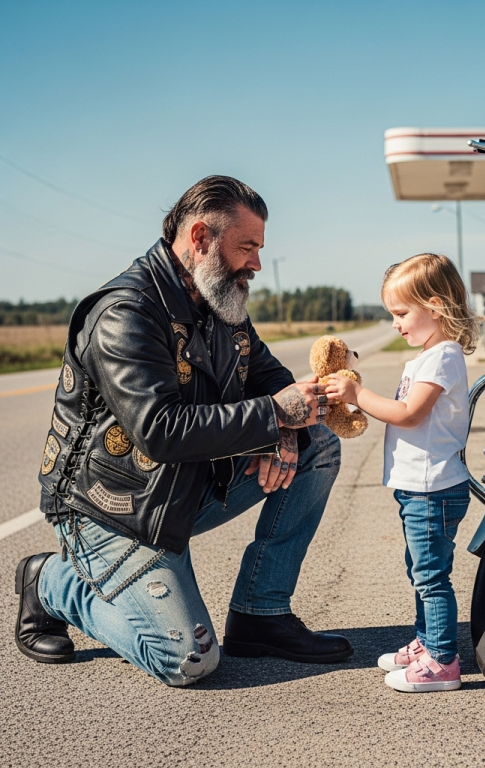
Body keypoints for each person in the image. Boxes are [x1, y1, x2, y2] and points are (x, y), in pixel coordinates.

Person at [14, 175, 352, 686]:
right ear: (199, 239)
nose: (256, 264)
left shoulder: (219, 301)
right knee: (187, 661)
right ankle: (52, 583)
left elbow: (269, 377)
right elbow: (160, 430)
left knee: (317, 442)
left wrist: (284, 430)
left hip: (183, 490)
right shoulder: (125, 313)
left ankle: (260, 613)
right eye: (247, 247)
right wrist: (275, 414)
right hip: (112, 511)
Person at [325, 253, 479, 692]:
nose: (395, 324)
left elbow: (408, 415)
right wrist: (355, 401)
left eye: (400, 313)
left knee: (431, 576)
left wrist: (359, 392)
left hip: (433, 489)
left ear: (434, 306)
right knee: (421, 571)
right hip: (417, 488)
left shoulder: (443, 357)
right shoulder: (425, 358)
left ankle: (443, 663)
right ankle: (429, 643)